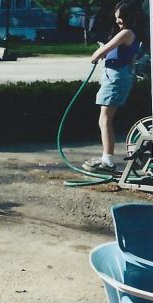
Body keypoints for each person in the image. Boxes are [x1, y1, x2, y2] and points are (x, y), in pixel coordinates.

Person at [82, 0, 144, 174]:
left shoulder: (125, 33)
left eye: (121, 18)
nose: (118, 21)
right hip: (117, 76)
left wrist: (97, 54)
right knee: (105, 119)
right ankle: (106, 158)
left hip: (115, 78)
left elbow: (101, 52)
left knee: (105, 120)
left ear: (129, 17)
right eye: (117, 18)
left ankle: (108, 161)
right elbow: (126, 57)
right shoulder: (132, 34)